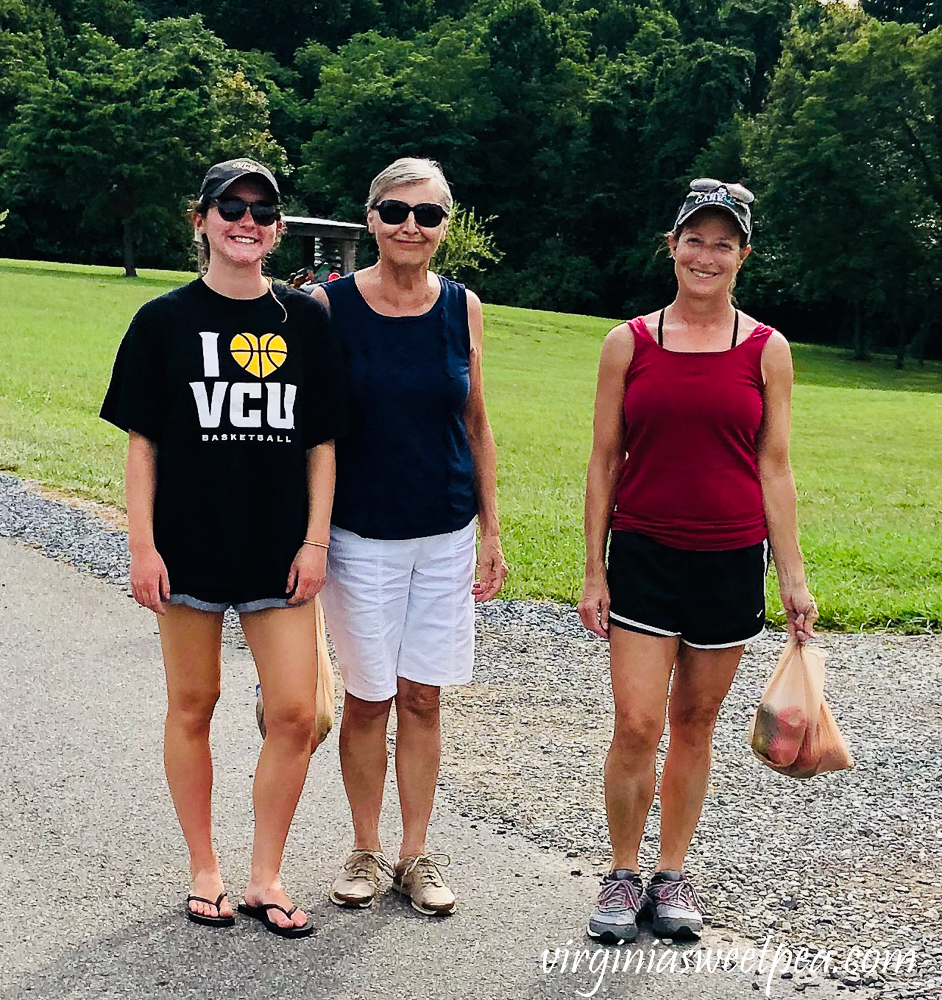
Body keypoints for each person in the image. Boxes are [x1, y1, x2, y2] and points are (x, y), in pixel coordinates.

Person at [100, 157, 347, 938]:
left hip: (279, 548)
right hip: (187, 543)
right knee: (193, 703)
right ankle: (205, 868)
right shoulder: (162, 321)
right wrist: (142, 544)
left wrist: (315, 541)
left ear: (278, 228)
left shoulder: (306, 320)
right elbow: (143, 445)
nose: (248, 221)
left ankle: (265, 875)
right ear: (199, 218)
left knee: (298, 711)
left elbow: (322, 444)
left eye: (263, 210)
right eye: (230, 207)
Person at [577, 178, 817, 944]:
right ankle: (621, 874)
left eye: (723, 242)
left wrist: (794, 577)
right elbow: (602, 462)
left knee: (694, 721)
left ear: (743, 255)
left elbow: (774, 465)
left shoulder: (766, 349)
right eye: (694, 240)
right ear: (672, 246)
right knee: (637, 720)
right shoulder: (629, 343)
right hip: (643, 555)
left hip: (730, 560)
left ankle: (671, 872)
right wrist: (593, 568)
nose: (705, 255)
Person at [312, 156, 507, 916]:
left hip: (446, 530)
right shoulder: (330, 307)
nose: (410, 227)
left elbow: (477, 419)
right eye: (396, 212)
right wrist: (312, 535)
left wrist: (491, 529)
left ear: (445, 227)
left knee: (423, 697)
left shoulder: (464, 306)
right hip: (361, 534)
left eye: (427, 215)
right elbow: (313, 433)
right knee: (368, 698)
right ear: (371, 219)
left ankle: (415, 854)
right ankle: (364, 849)